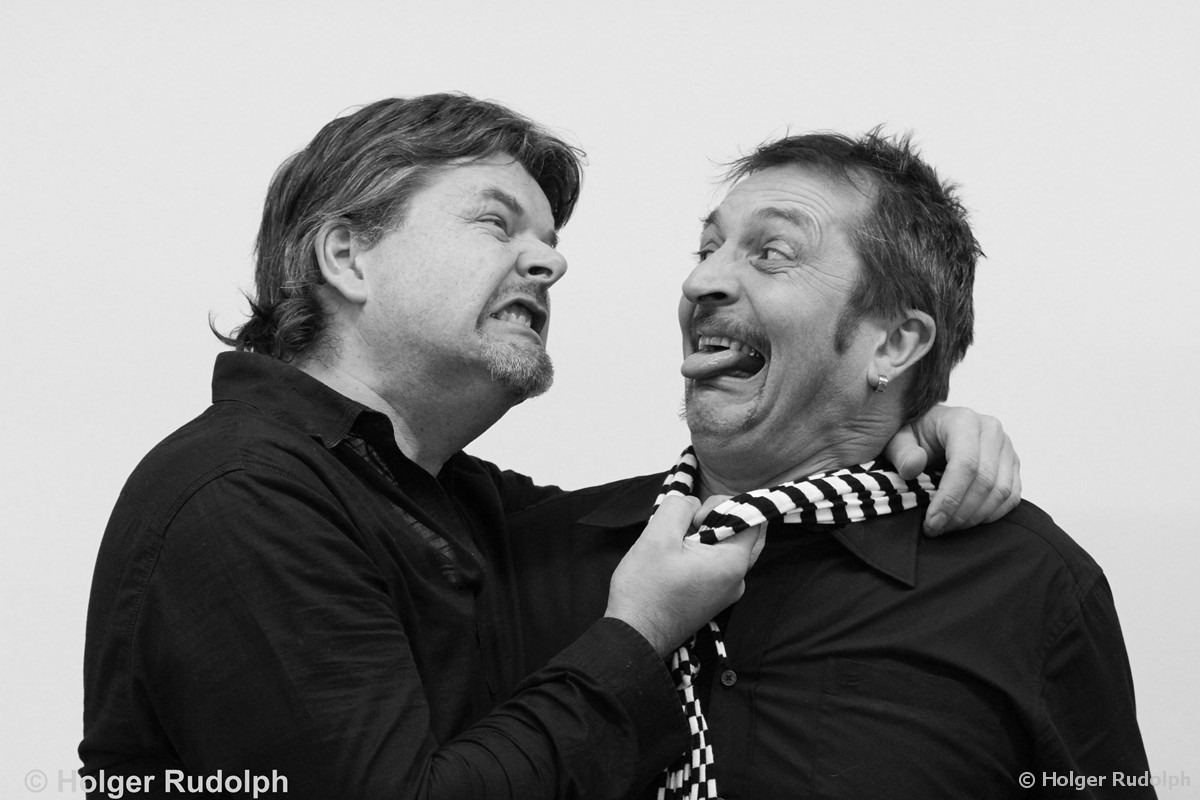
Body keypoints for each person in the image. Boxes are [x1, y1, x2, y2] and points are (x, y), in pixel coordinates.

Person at [81, 95, 1019, 800]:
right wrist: (636, 636)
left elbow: (729, 493)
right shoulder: (243, 495)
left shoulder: (457, 510)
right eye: (497, 222)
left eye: (550, 239)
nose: (552, 261)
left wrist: (897, 437)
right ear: (348, 257)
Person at [510, 131, 1154, 799]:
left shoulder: (1028, 586)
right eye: (707, 249)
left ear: (894, 344)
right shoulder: (533, 554)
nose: (700, 281)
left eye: (772, 253)